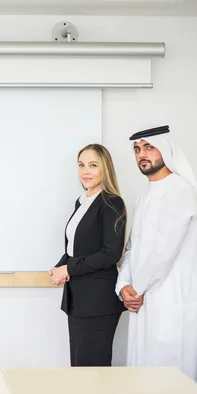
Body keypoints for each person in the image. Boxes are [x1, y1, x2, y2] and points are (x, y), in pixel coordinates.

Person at [115, 125, 197, 386]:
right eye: (137, 149)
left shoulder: (180, 191)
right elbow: (132, 248)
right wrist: (123, 286)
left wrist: (136, 289)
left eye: (148, 147)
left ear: (165, 149)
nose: (141, 154)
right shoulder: (144, 195)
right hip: (143, 301)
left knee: (173, 381)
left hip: (171, 303)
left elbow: (163, 253)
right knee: (144, 380)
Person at [49, 144, 127, 367]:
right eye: (82, 165)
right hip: (78, 299)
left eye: (93, 165)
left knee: (93, 371)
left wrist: (69, 269)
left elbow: (110, 253)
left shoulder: (111, 202)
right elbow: (75, 247)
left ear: (105, 169)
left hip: (98, 302)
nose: (86, 171)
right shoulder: (82, 202)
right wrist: (60, 266)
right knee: (80, 368)